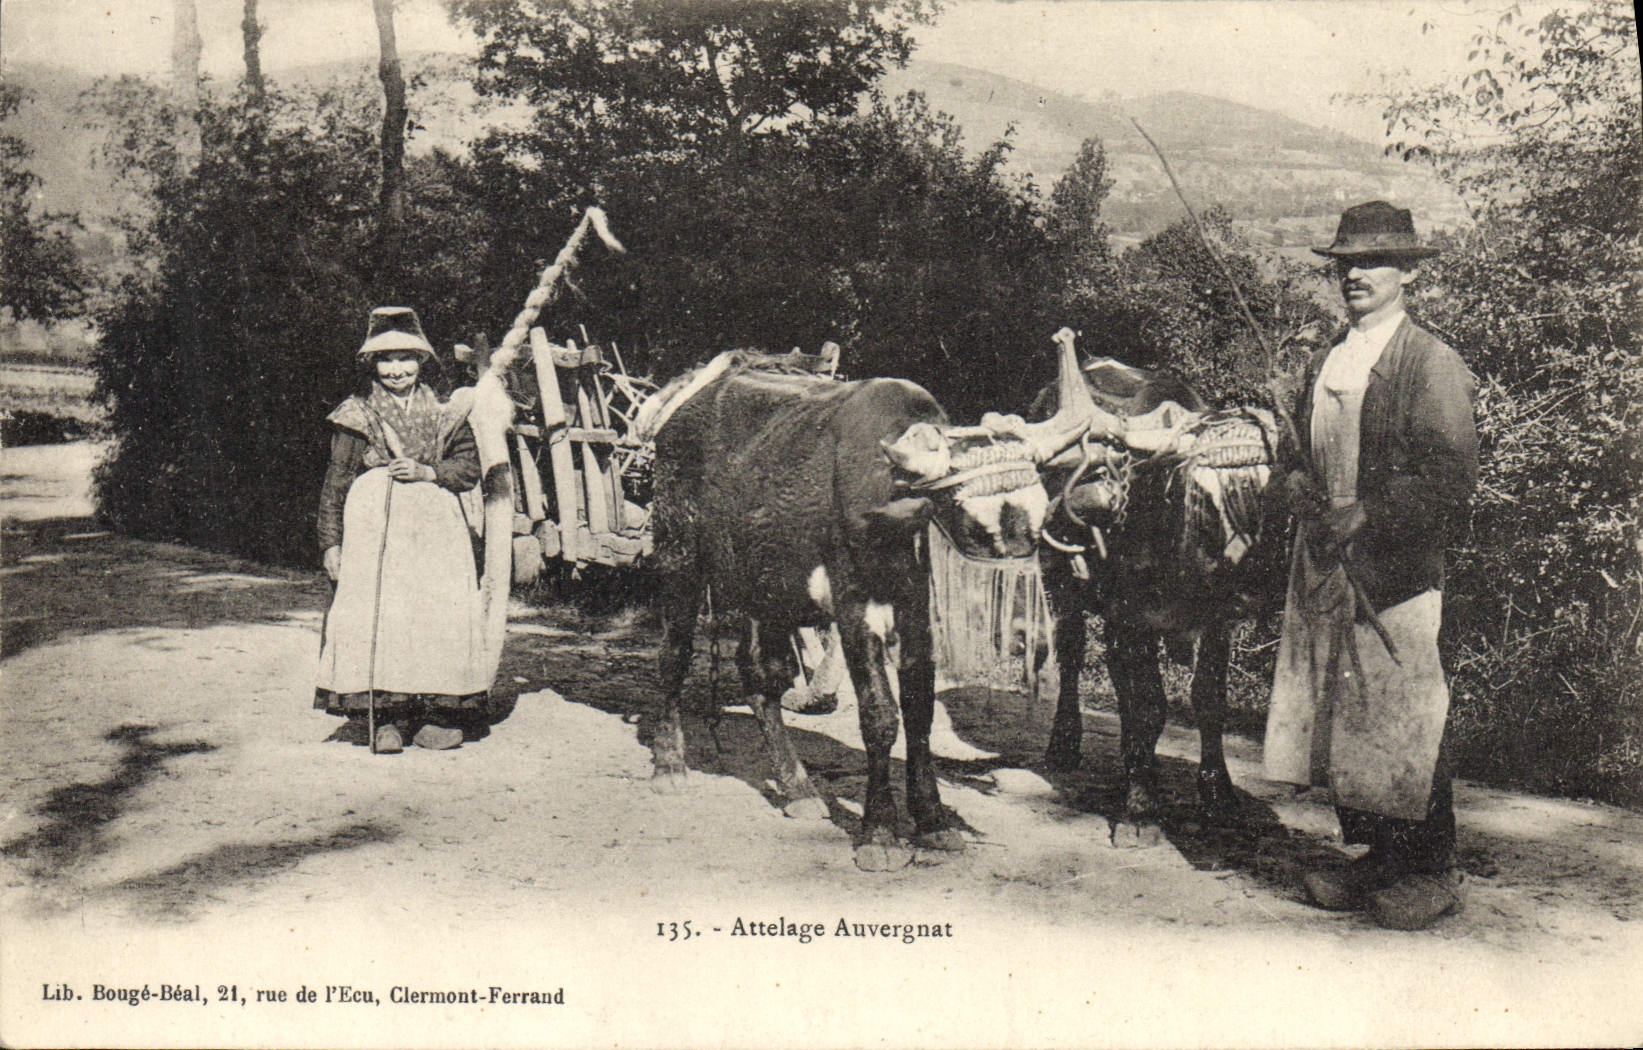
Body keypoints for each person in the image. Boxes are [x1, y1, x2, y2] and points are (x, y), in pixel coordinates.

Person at [1264, 201, 1479, 931]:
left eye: (1371, 263)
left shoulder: (1429, 361)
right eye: (1345, 263)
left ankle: (1431, 868)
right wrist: (1296, 487)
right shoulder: (1331, 354)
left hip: (1392, 565)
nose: (1354, 275)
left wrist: (1368, 513)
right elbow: (1294, 449)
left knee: (1405, 708)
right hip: (1323, 553)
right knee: (1344, 709)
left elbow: (1448, 473)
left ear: (1405, 273)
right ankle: (1376, 858)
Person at [315, 306, 491, 753]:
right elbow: (336, 481)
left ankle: (437, 713)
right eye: (385, 360)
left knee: (436, 612)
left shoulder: (447, 413)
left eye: (405, 359)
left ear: (422, 361)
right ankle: (386, 717)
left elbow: (468, 467)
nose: (396, 370)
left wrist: (429, 472)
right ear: (371, 365)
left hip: (437, 531)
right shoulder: (356, 414)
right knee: (383, 613)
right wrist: (330, 543)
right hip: (376, 530)